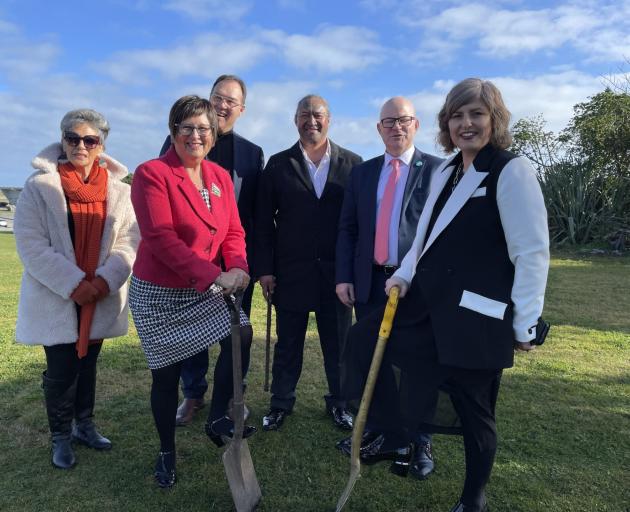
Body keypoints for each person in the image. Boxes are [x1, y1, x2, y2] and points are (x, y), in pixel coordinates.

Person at [342, 78, 550, 512]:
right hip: (429, 309)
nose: (466, 123)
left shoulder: (511, 171)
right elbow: (424, 238)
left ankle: (473, 499)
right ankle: (397, 436)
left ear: (495, 118)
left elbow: (531, 254)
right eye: (457, 115)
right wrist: (402, 274)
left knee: (475, 413)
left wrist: (525, 325)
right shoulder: (447, 170)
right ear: (446, 124)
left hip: (477, 317)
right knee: (363, 342)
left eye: (476, 114)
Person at [129, 95, 255, 489]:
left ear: (214, 136)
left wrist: (236, 266)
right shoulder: (152, 174)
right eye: (187, 128)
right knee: (166, 379)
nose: (196, 135)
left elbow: (233, 230)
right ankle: (167, 450)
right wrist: (215, 276)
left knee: (242, 331)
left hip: (205, 286)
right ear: (173, 132)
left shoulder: (218, 177)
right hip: (160, 293)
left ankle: (218, 415)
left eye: (203, 128)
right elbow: (162, 239)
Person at [14, 109, 139, 469]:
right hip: (57, 295)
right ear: (63, 140)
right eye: (73, 138)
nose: (80, 146)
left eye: (90, 140)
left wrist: (104, 280)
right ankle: (60, 435)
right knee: (61, 368)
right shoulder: (39, 186)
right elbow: (31, 244)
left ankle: (84, 425)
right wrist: (73, 284)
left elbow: (130, 239)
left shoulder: (120, 192)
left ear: (101, 145)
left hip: (99, 294)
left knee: (89, 364)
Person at [336, 97, 443, 479]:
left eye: (403, 120)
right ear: (378, 129)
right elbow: (348, 228)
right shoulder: (363, 174)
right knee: (370, 355)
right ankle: (386, 429)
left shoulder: (438, 170)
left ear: (416, 124)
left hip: (415, 284)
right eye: (388, 122)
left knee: (418, 364)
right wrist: (344, 276)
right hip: (370, 280)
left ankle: (421, 438)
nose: (396, 127)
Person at [159, 75, 264, 427]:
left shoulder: (252, 154)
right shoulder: (180, 141)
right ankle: (193, 394)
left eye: (230, 101)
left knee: (238, 334)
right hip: (192, 265)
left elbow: (250, 214)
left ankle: (234, 396)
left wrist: (247, 264)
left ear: (241, 110)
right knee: (192, 336)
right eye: (217, 97)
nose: (222, 105)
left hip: (234, 265)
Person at [255, 94, 363, 431]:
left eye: (317, 115)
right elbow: (262, 222)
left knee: (340, 347)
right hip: (291, 272)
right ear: (295, 119)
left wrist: (355, 272)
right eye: (304, 115)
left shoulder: (353, 163)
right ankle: (281, 403)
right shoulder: (277, 164)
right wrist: (266, 270)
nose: (311, 121)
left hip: (338, 276)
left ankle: (341, 403)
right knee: (288, 345)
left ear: (329, 119)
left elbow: (360, 224)